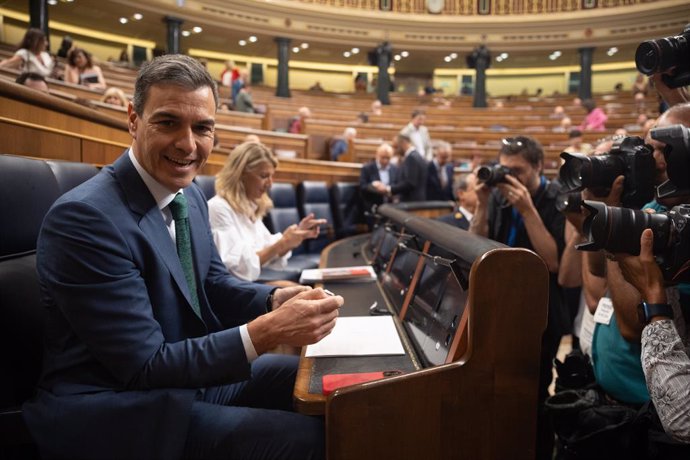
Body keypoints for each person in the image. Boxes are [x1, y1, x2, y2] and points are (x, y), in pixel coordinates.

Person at [22, 54, 343, 460]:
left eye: (202, 127)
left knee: (336, 389)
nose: (188, 144)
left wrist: (272, 300)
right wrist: (269, 331)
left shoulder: (189, 194)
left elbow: (212, 284)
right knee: (310, 442)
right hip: (120, 408)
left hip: (187, 379)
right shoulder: (84, 218)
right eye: (168, 122)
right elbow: (145, 366)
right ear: (134, 120)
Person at [469, 135, 566, 459]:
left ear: (540, 166)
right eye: (504, 169)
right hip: (498, 305)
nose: (509, 178)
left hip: (541, 311)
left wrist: (527, 210)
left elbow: (553, 262)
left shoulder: (556, 198)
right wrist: (482, 204)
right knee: (496, 388)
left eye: (519, 171)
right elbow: (475, 244)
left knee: (532, 390)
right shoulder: (497, 199)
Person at [208, 142, 326, 282]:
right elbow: (238, 270)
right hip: (232, 289)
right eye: (264, 176)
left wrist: (292, 238)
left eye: (271, 176)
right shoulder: (218, 207)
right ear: (240, 174)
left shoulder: (250, 205)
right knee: (302, 293)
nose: (270, 183)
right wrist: (282, 243)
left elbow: (266, 250)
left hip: (250, 283)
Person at [373, 134, 427, 202]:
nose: (395, 151)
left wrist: (388, 189)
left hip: (412, 201)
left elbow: (410, 183)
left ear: (404, 144)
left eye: (396, 147)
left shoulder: (411, 158)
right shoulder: (415, 156)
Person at [360, 143, 399, 224]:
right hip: (373, 207)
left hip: (391, 208)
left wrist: (388, 190)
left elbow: (397, 185)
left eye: (388, 158)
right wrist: (373, 186)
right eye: (383, 157)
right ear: (377, 155)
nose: (385, 160)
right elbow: (363, 187)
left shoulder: (395, 168)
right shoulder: (367, 168)